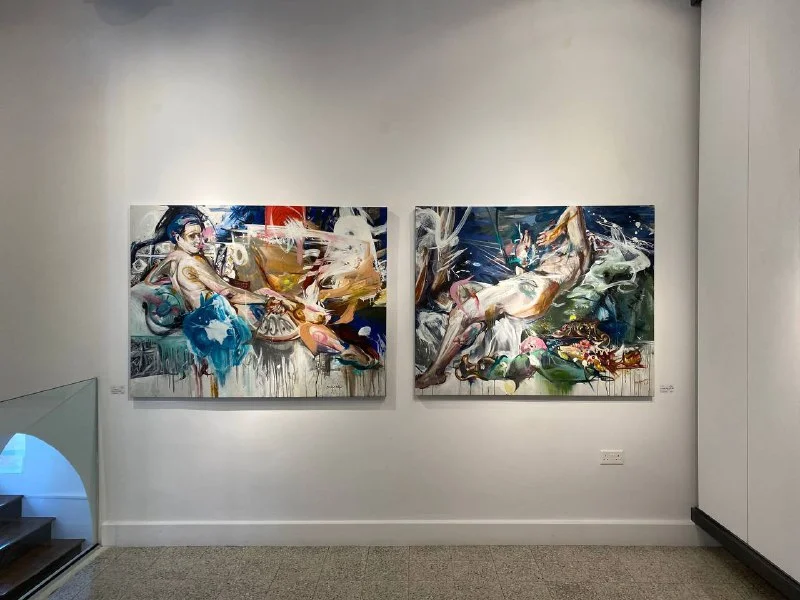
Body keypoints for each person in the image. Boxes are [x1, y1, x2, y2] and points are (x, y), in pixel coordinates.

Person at [141, 213, 377, 369]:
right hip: (224, 316)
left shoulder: (173, 257)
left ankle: (334, 334)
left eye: (200, 235)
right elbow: (228, 292)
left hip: (210, 312)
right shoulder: (193, 262)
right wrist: (264, 300)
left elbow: (150, 280)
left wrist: (177, 288)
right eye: (192, 236)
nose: (199, 241)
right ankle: (345, 349)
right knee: (295, 316)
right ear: (177, 236)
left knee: (272, 293)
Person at [415, 205, 592, 389]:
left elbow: (574, 208)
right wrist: (520, 258)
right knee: (465, 295)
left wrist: (554, 233)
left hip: (535, 287)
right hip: (531, 291)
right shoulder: (560, 257)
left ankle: (435, 372)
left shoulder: (580, 252)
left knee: (462, 314)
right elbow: (523, 279)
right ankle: (479, 326)